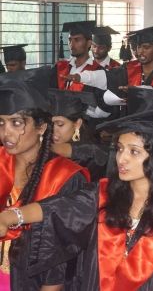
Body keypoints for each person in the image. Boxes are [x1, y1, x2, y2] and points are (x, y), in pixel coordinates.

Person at [0, 90, 153, 291]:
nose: (121, 159)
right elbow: (59, 208)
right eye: (119, 149)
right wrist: (10, 217)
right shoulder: (104, 194)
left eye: (133, 152)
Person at [0, 72, 90, 290]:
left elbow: (61, 260)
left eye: (16, 123)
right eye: (1, 123)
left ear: (41, 127)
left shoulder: (65, 176)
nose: (6, 133)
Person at [47, 88, 109, 182]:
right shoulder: (47, 147)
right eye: (51, 125)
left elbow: (96, 152)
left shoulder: (93, 156)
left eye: (60, 124)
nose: (54, 131)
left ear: (77, 124)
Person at [54, 20, 100, 91]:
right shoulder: (60, 67)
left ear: (89, 43)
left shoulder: (97, 71)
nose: (71, 44)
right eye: (70, 40)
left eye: (77, 40)